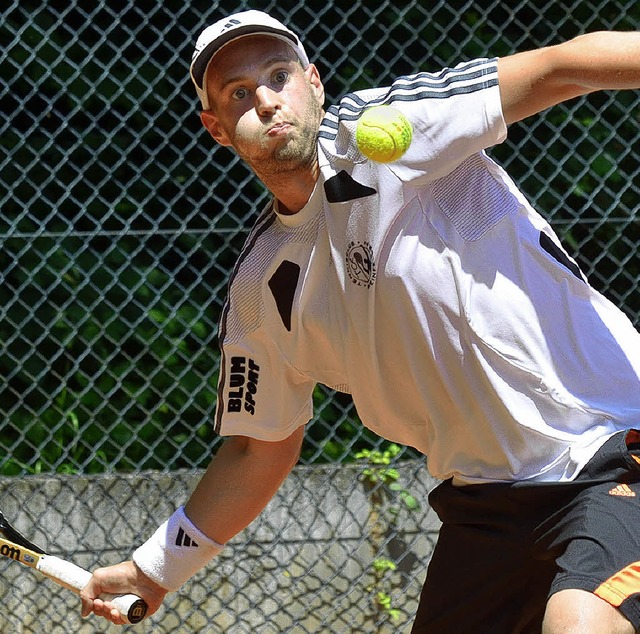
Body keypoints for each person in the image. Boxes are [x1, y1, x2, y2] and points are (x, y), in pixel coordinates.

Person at [80, 9, 640, 632]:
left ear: (314, 83)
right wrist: (156, 568)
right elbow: (255, 448)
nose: (267, 101)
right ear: (216, 128)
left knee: (581, 624)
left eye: (279, 75)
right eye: (239, 94)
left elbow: (561, 66)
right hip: (486, 505)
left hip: (612, 442)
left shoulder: (395, 127)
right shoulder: (261, 289)